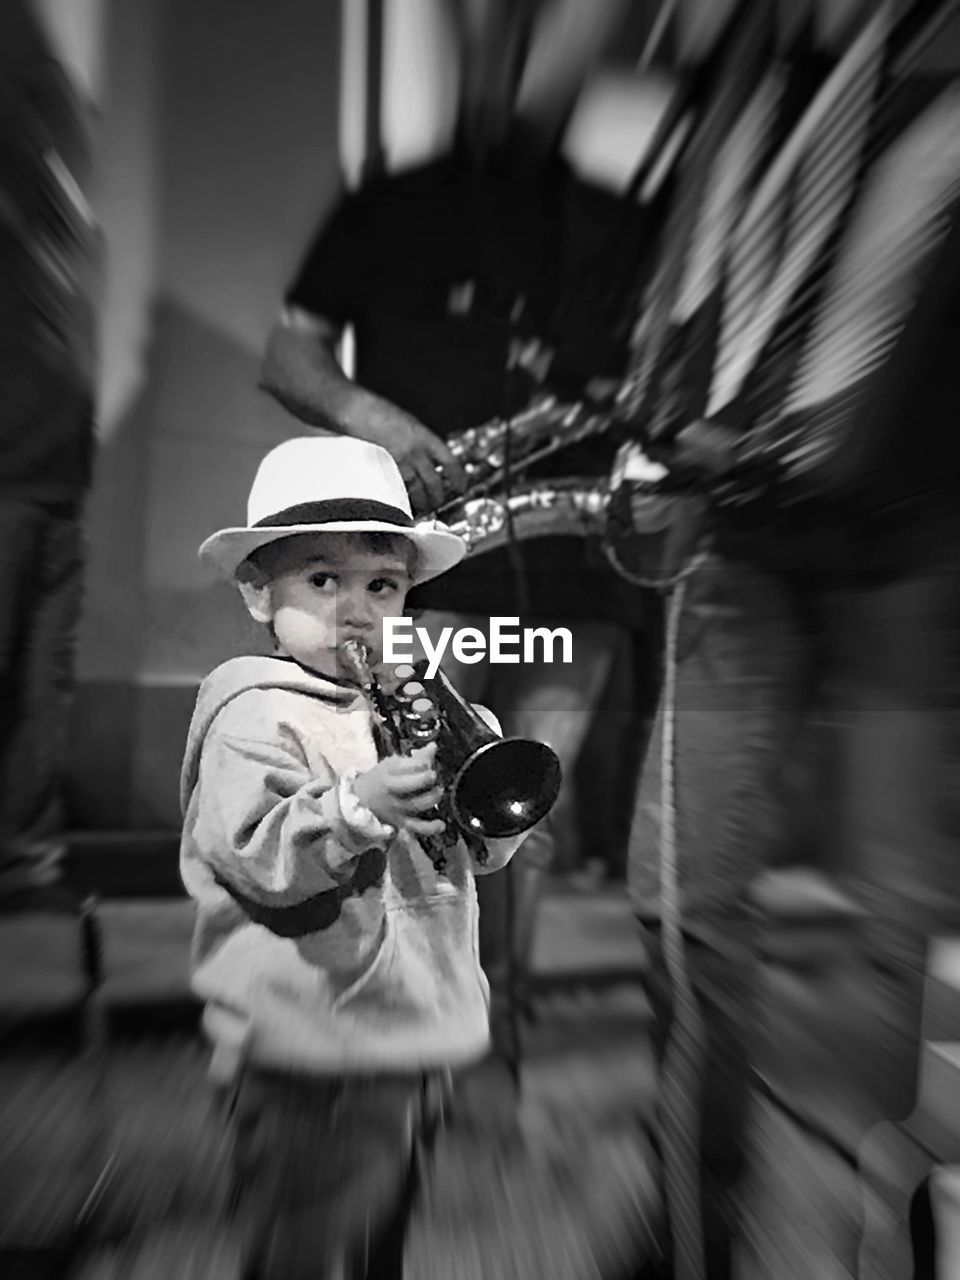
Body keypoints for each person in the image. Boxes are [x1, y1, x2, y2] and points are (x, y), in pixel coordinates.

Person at [260, 0, 651, 1117]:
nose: (515, 56)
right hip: (424, 575)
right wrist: (372, 419)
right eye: (494, 33)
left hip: (576, 575)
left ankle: (484, 1051)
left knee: (516, 826)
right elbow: (287, 353)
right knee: (412, 814)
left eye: (540, 34)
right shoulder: (390, 203)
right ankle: (384, 1047)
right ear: (466, 47)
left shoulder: (618, 222)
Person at [180, 435, 531, 1279]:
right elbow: (258, 855)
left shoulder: (408, 700)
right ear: (260, 593)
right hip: (310, 1047)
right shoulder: (255, 715)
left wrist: (485, 793)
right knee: (303, 1246)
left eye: (384, 585)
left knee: (383, 1237)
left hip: (418, 1035)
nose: (359, 610)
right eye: (323, 579)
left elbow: (473, 860)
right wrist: (352, 808)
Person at [0, 0, 100, 897]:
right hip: (6, 478)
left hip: (59, 477)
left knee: (42, 683)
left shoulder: (63, 216)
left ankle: (25, 858)